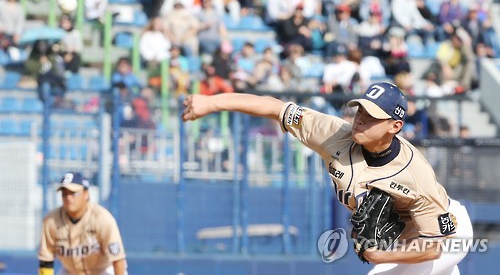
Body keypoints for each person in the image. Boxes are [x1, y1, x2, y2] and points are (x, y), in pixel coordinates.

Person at [182, 82, 473, 274]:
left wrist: (379, 256)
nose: (360, 118)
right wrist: (213, 102)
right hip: (405, 241)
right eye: (360, 110)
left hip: (445, 236)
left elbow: (433, 246)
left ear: (394, 126)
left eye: (372, 115)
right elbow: (275, 108)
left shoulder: (415, 173)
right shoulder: (334, 133)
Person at [38, 172, 127, 275]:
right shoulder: (51, 220)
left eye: (73, 193)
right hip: (71, 271)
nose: (68, 198)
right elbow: (46, 259)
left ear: (86, 194)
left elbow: (118, 259)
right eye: (64, 193)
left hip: (103, 270)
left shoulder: (102, 218)